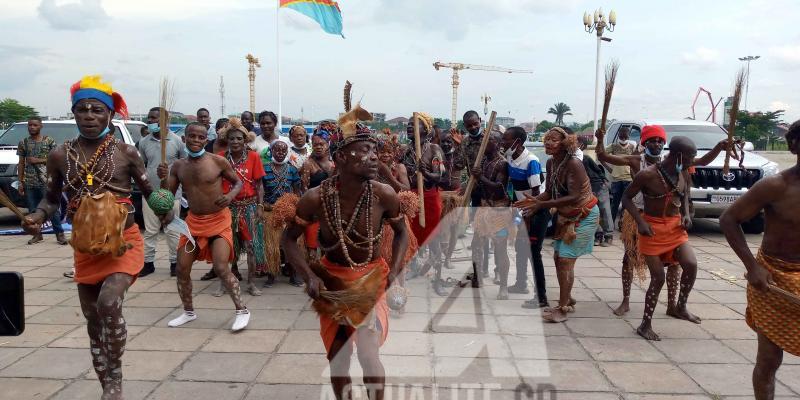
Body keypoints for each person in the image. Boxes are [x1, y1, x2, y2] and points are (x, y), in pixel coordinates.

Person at [22, 75, 151, 399]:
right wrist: (36, 217)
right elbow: (51, 199)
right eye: (83, 110)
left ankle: (116, 379)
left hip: (124, 243)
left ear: (110, 115)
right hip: (87, 248)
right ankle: (106, 383)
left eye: (97, 110)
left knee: (109, 303)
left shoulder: (127, 152)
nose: (90, 116)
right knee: (93, 321)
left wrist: (166, 206)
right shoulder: (60, 156)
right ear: (73, 113)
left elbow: (151, 193)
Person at [281, 104, 409, 400]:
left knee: (367, 352)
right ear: (340, 158)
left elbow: (402, 232)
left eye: (374, 150)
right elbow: (289, 240)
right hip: (334, 283)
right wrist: (310, 276)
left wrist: (396, 271)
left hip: (371, 277)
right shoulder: (316, 198)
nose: (374, 156)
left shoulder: (383, 195)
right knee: (338, 356)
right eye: (364, 150)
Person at [595, 126, 727, 316]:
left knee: (675, 264)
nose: (656, 144)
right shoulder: (636, 162)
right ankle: (625, 300)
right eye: (652, 140)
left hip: (669, 221)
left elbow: (700, 164)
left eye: (659, 141)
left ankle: (673, 305)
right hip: (638, 216)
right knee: (629, 259)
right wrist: (600, 141)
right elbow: (605, 158)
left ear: (665, 144)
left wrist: (719, 147)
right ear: (644, 143)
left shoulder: (675, 163)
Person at [720, 120, 800, 400]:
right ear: (793, 146)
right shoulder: (774, 187)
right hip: (772, 279)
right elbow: (729, 219)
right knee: (768, 360)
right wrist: (752, 267)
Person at [161, 123, 250, 331]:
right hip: (193, 223)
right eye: (191, 136)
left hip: (219, 221)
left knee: (221, 267)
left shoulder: (218, 161)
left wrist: (229, 196)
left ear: (205, 139)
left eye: (201, 137)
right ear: (184, 139)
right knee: (182, 268)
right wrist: (164, 177)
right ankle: (188, 311)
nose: (196, 140)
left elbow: (238, 183)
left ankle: (242, 310)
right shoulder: (178, 166)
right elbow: (166, 196)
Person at [621, 135, 702, 341]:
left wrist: (685, 214)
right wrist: (640, 222)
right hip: (652, 228)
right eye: (691, 156)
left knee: (691, 265)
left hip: (675, 227)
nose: (693, 160)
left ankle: (680, 307)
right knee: (658, 278)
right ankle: (645, 324)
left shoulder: (683, 171)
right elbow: (626, 198)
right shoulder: (647, 174)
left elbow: (685, 196)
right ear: (679, 155)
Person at [516, 127, 599, 323]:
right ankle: (567, 297)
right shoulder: (553, 163)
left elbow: (575, 196)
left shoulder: (574, 164)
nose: (548, 143)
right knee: (558, 258)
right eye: (547, 139)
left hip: (584, 215)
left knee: (564, 260)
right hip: (567, 216)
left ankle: (562, 308)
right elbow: (551, 192)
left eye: (553, 140)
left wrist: (542, 204)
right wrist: (535, 202)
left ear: (566, 143)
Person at [216, 118, 267, 296]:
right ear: (227, 140)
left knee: (252, 246)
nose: (235, 142)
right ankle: (226, 282)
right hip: (227, 209)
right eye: (232, 138)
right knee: (228, 247)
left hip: (249, 207)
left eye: (239, 138)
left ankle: (251, 283)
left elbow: (259, 184)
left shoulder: (253, 157)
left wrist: (260, 206)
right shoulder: (221, 158)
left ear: (245, 140)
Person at [501, 127, 550, 308]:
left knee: (534, 253)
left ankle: (541, 296)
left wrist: (529, 216)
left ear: (517, 142)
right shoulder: (511, 159)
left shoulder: (532, 162)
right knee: (521, 248)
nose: (503, 143)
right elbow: (515, 189)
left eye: (506, 140)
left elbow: (537, 193)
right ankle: (521, 284)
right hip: (523, 210)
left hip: (537, 210)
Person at [401, 113, 446, 296]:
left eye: (415, 125)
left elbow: (441, 177)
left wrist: (425, 172)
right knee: (409, 237)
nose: (410, 127)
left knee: (433, 239)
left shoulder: (434, 149)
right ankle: (413, 268)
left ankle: (438, 279)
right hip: (410, 198)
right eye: (409, 125)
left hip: (428, 197)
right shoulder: (405, 150)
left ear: (425, 130)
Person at [138, 107, 186, 277]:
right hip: (151, 193)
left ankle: (174, 263)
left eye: (153, 118)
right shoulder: (144, 142)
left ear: (165, 121)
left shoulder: (177, 141)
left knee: (172, 230)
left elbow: (184, 164)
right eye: (149, 118)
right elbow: (141, 165)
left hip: (172, 193)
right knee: (150, 230)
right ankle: (148, 263)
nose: (150, 121)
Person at [470, 130, 512, 299]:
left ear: (496, 143)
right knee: (476, 244)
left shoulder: (502, 163)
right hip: (484, 209)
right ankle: (477, 277)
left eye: (486, 142)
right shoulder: (485, 161)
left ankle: (503, 286)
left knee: (501, 249)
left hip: (499, 212)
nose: (482, 145)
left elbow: (499, 187)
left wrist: (481, 177)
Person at [17, 116, 67, 245]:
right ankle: (37, 235)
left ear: (41, 126)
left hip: (46, 182)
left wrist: (37, 160)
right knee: (33, 210)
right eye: (30, 125)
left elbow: (56, 159)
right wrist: (20, 182)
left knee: (51, 209)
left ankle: (59, 234)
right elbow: (21, 163)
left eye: (35, 125)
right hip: (29, 181)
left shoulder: (49, 141)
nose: (32, 127)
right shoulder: (24, 142)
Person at [262, 140, 303, 287]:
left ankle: (293, 274)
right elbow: (260, 189)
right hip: (270, 211)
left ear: (287, 152)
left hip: (288, 212)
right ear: (271, 151)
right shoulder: (264, 168)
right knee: (272, 246)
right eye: (277, 150)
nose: (280, 153)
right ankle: (272, 274)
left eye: (283, 150)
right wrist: (262, 206)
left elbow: (297, 190)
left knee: (293, 244)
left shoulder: (292, 170)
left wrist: (296, 207)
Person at [300, 130, 336, 261]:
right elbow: (304, 190)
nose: (319, 147)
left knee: (330, 250)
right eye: (315, 144)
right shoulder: (308, 164)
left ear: (328, 144)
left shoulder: (335, 164)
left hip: (331, 212)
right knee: (312, 249)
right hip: (314, 213)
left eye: (322, 144)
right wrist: (310, 211)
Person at [578, 137, 614, 247]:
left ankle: (609, 236)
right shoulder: (572, 160)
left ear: (582, 146)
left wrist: (604, 182)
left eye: (577, 143)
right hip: (587, 190)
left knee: (604, 210)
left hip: (599, 186)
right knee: (592, 212)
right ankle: (598, 235)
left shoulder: (586, 158)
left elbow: (598, 171)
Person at [607, 126, 636, 222]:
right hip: (616, 179)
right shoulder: (613, 146)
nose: (623, 138)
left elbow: (637, 160)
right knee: (615, 203)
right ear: (619, 135)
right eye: (622, 136)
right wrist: (609, 169)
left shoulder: (633, 147)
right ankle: (611, 224)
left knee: (626, 203)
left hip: (629, 179)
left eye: (625, 136)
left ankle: (622, 223)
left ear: (628, 136)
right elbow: (601, 155)